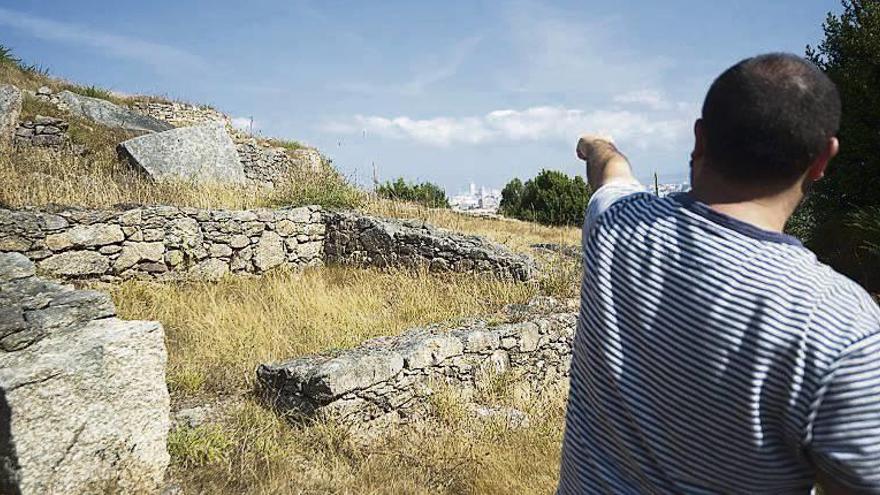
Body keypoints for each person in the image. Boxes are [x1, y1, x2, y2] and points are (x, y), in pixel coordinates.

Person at [558, 53, 880, 494]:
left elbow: (611, 173)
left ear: (700, 140)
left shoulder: (616, 225)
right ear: (824, 159)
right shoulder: (840, 325)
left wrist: (597, 145)